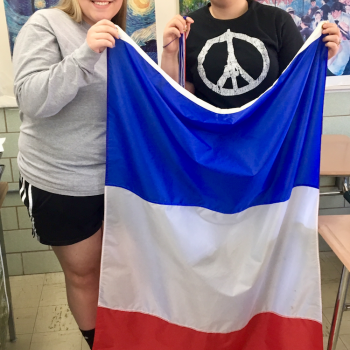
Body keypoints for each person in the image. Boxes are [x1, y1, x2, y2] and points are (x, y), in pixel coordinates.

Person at [12, 0, 125, 348]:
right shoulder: (45, 23)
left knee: (117, 273)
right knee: (84, 274)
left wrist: (168, 55)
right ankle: (98, 343)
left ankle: (121, 336)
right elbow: (30, 99)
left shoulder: (121, 37)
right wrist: (85, 52)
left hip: (116, 181)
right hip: (61, 182)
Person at [161, 0, 340, 110]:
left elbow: (299, 84)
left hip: (268, 146)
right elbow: (177, 100)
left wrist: (321, 58)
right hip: (209, 147)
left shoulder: (278, 21)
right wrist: (170, 53)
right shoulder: (188, 28)